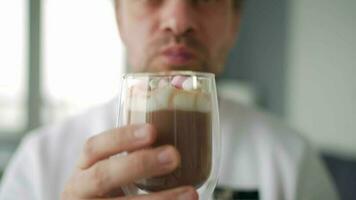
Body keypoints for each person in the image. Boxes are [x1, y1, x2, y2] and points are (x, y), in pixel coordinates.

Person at [0, 0, 338, 199]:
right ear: (119, 18)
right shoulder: (38, 162)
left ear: (235, 23)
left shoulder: (291, 162)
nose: (178, 21)